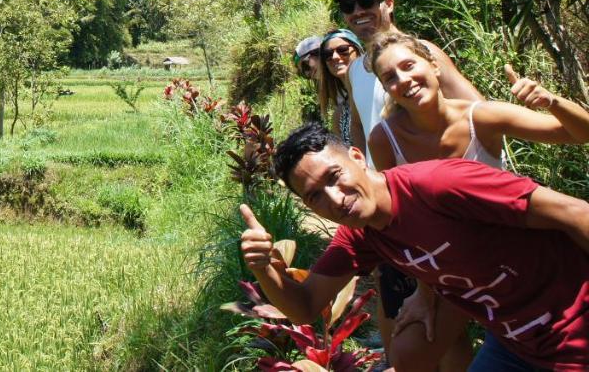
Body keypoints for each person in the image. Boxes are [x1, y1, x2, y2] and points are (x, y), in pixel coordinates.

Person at [240, 122, 589, 371]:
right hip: (516, 342)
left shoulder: (440, 184)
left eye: (334, 177)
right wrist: (263, 268)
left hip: (574, 327)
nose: (335, 198)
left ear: (358, 158)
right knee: (407, 353)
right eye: (315, 195)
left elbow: (575, 212)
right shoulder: (361, 234)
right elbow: (304, 307)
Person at [366, 32, 589, 370]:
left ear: (434, 67)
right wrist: (424, 293)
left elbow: (578, 135)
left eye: (409, 66)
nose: (403, 80)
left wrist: (552, 102)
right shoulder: (385, 139)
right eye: (390, 77)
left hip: (519, 247)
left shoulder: (480, 117)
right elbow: (400, 222)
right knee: (411, 349)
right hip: (458, 264)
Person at [333, 0, 483, 161]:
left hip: (436, 179)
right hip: (390, 185)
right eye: (348, 6)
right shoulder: (354, 69)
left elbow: (478, 111)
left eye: (367, 1)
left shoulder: (422, 52)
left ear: (388, 3)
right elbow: (358, 125)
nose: (358, 11)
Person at [318, 29, 361, 146]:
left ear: (358, 51)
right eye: (327, 54)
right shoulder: (340, 114)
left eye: (343, 50)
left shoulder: (377, 90)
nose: (335, 57)